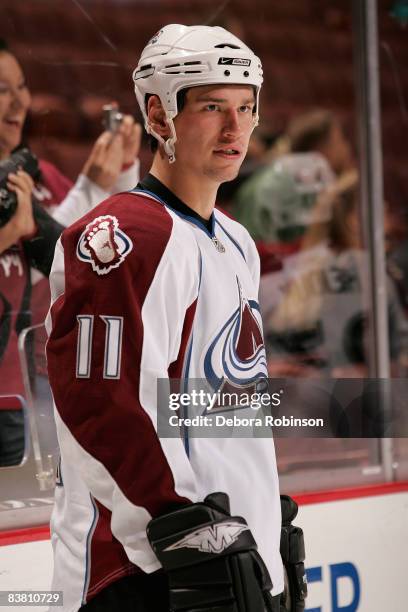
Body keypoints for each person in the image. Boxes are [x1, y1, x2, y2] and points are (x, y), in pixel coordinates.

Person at [45, 24, 302, 612]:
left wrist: (260, 508)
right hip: (146, 566)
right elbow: (103, 404)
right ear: (158, 115)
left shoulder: (236, 240)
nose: (236, 128)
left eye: (246, 108)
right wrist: (189, 530)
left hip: (229, 551)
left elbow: (223, 396)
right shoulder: (130, 236)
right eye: (213, 107)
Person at [0, 41, 141, 466]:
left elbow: (101, 256)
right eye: (2, 89)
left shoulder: (42, 175)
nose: (21, 100)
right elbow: (56, 254)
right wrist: (91, 186)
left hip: (45, 385)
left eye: (22, 86)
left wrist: (122, 173)